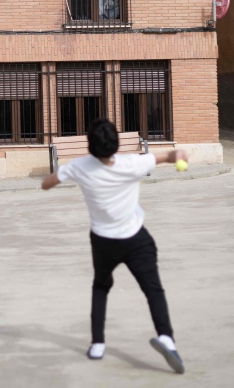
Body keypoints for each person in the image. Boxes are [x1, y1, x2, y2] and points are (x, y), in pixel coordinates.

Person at [41, 118, 187, 374]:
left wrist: (58, 178)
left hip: (103, 241)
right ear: (116, 145)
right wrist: (181, 155)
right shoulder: (132, 163)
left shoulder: (79, 167)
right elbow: (170, 154)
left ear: (90, 146)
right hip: (136, 239)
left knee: (101, 287)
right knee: (153, 289)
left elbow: (47, 183)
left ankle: (97, 344)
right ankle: (166, 338)